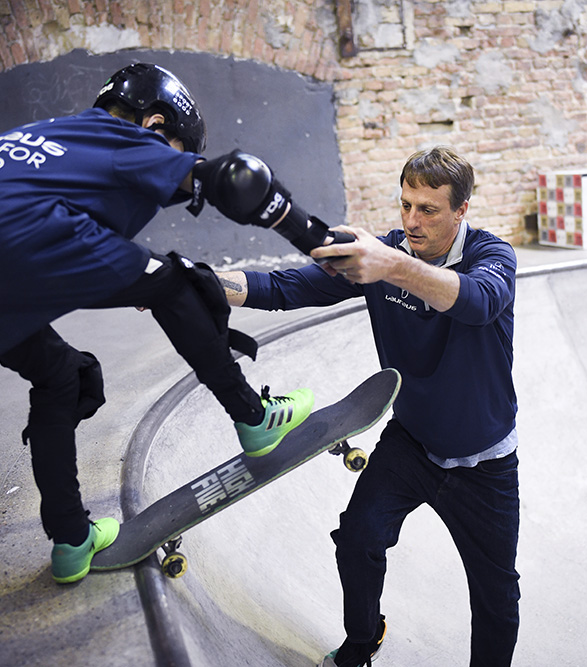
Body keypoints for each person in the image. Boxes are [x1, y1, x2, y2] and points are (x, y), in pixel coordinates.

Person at [0, 63, 343, 584]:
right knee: (179, 283)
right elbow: (239, 178)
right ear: (155, 124)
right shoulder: (122, 135)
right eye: (175, 148)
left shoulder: (52, 138)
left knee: (60, 377)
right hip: (14, 231)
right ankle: (254, 420)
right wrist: (316, 239)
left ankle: (72, 542)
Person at [218, 146, 520, 666]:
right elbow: (290, 287)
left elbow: (476, 301)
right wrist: (201, 286)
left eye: (428, 210)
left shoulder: (492, 257)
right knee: (356, 538)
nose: (412, 221)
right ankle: (362, 640)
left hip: (485, 462)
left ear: (461, 209)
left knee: (496, 596)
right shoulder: (386, 253)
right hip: (412, 444)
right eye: (406, 205)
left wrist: (393, 266)